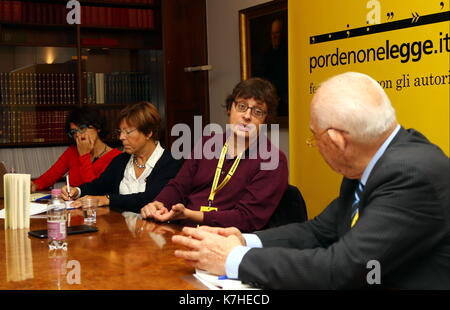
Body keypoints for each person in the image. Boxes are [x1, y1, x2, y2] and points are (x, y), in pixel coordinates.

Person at [171, 72, 450, 289]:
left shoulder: (411, 175)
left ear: (337, 141)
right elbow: (318, 232)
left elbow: (342, 269)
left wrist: (232, 259)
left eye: (314, 138)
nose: (314, 146)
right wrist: (242, 240)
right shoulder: (369, 161)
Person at [140, 78, 288, 233]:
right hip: (181, 231)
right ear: (230, 108)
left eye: (257, 111)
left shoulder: (273, 160)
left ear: (266, 120)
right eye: (242, 106)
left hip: (226, 241)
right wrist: (159, 203)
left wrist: (192, 215)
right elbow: (179, 185)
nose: (247, 116)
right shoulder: (208, 143)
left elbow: (247, 218)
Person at [62, 101, 181, 213]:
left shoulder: (170, 162)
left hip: (157, 231)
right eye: (120, 132)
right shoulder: (121, 160)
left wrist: (108, 199)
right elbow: (99, 185)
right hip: (121, 228)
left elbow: (150, 198)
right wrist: (76, 191)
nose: (121, 137)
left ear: (148, 132)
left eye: (127, 132)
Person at [31, 107, 122, 192]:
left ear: (97, 127)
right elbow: (51, 176)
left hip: (97, 207)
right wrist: (35, 185)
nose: (78, 135)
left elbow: (94, 190)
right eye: (74, 132)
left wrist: (84, 156)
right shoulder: (72, 151)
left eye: (82, 128)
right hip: (72, 205)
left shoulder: (116, 157)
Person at [254, 18, 288, 116]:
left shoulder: (288, 52)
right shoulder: (266, 54)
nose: (274, 37)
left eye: (277, 33)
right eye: (272, 33)